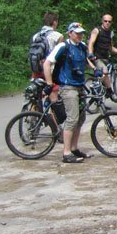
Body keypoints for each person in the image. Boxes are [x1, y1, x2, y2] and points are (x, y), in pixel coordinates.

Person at [43, 22, 98, 164]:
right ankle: (66, 153)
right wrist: (49, 83)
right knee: (72, 119)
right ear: (70, 33)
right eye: (77, 33)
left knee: (81, 118)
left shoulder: (82, 46)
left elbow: (86, 59)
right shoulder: (63, 46)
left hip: (80, 86)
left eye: (81, 33)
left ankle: (74, 148)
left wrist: (95, 69)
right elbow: (47, 63)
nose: (80, 35)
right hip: (68, 87)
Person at [88, 14, 117, 102]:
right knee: (105, 72)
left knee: (104, 76)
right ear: (102, 21)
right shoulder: (97, 30)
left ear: (111, 23)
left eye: (109, 21)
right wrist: (90, 53)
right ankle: (110, 92)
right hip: (96, 58)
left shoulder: (110, 33)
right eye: (105, 21)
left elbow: (110, 47)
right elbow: (91, 42)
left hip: (105, 57)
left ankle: (101, 97)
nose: (107, 23)